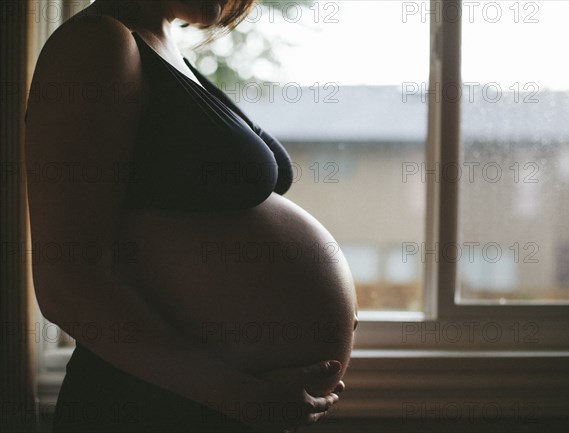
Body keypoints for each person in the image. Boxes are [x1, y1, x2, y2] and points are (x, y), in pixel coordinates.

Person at [24, 1, 354, 432]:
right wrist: (240, 396)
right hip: (150, 406)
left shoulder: (161, 47)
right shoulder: (96, 44)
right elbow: (68, 283)